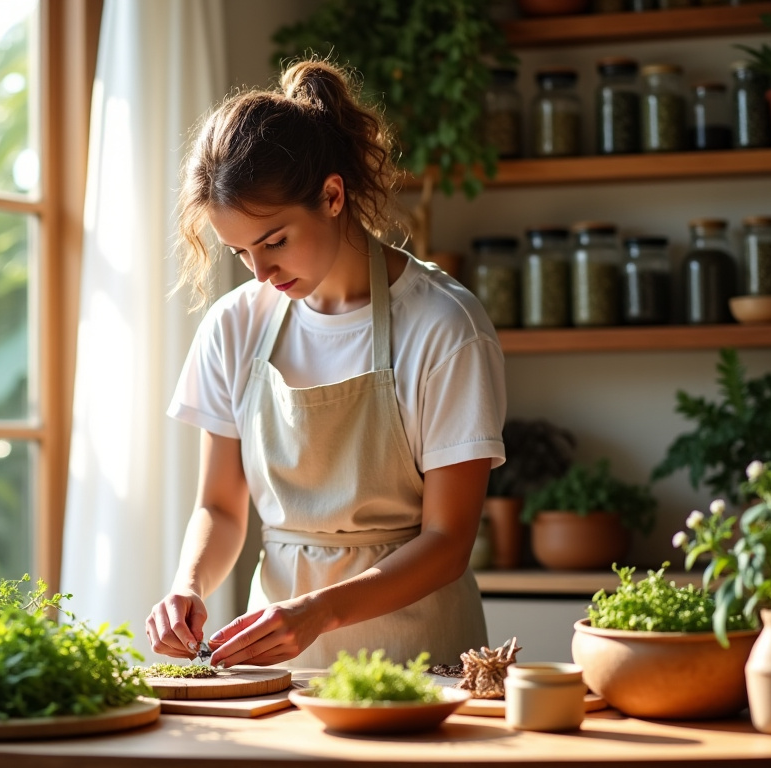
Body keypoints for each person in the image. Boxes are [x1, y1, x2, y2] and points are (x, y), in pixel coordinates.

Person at [146, 59, 506, 669]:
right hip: (277, 662)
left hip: (419, 662)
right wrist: (188, 585)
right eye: (239, 253)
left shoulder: (446, 326)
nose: (259, 273)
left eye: (274, 241)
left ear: (332, 196)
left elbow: (448, 543)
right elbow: (222, 507)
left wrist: (319, 612)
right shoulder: (235, 326)